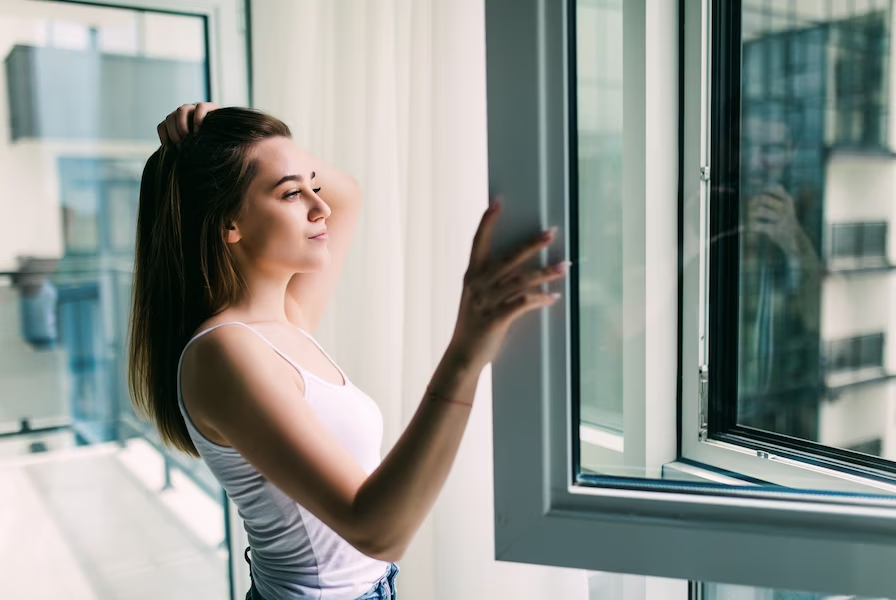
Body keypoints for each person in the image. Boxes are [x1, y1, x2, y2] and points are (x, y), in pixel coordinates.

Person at [127, 102, 569, 600]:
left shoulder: (283, 320)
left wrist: (228, 123)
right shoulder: (225, 352)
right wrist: (466, 351)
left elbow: (348, 196)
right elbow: (377, 530)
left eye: (313, 185)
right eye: (293, 193)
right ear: (229, 222)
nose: (322, 208)